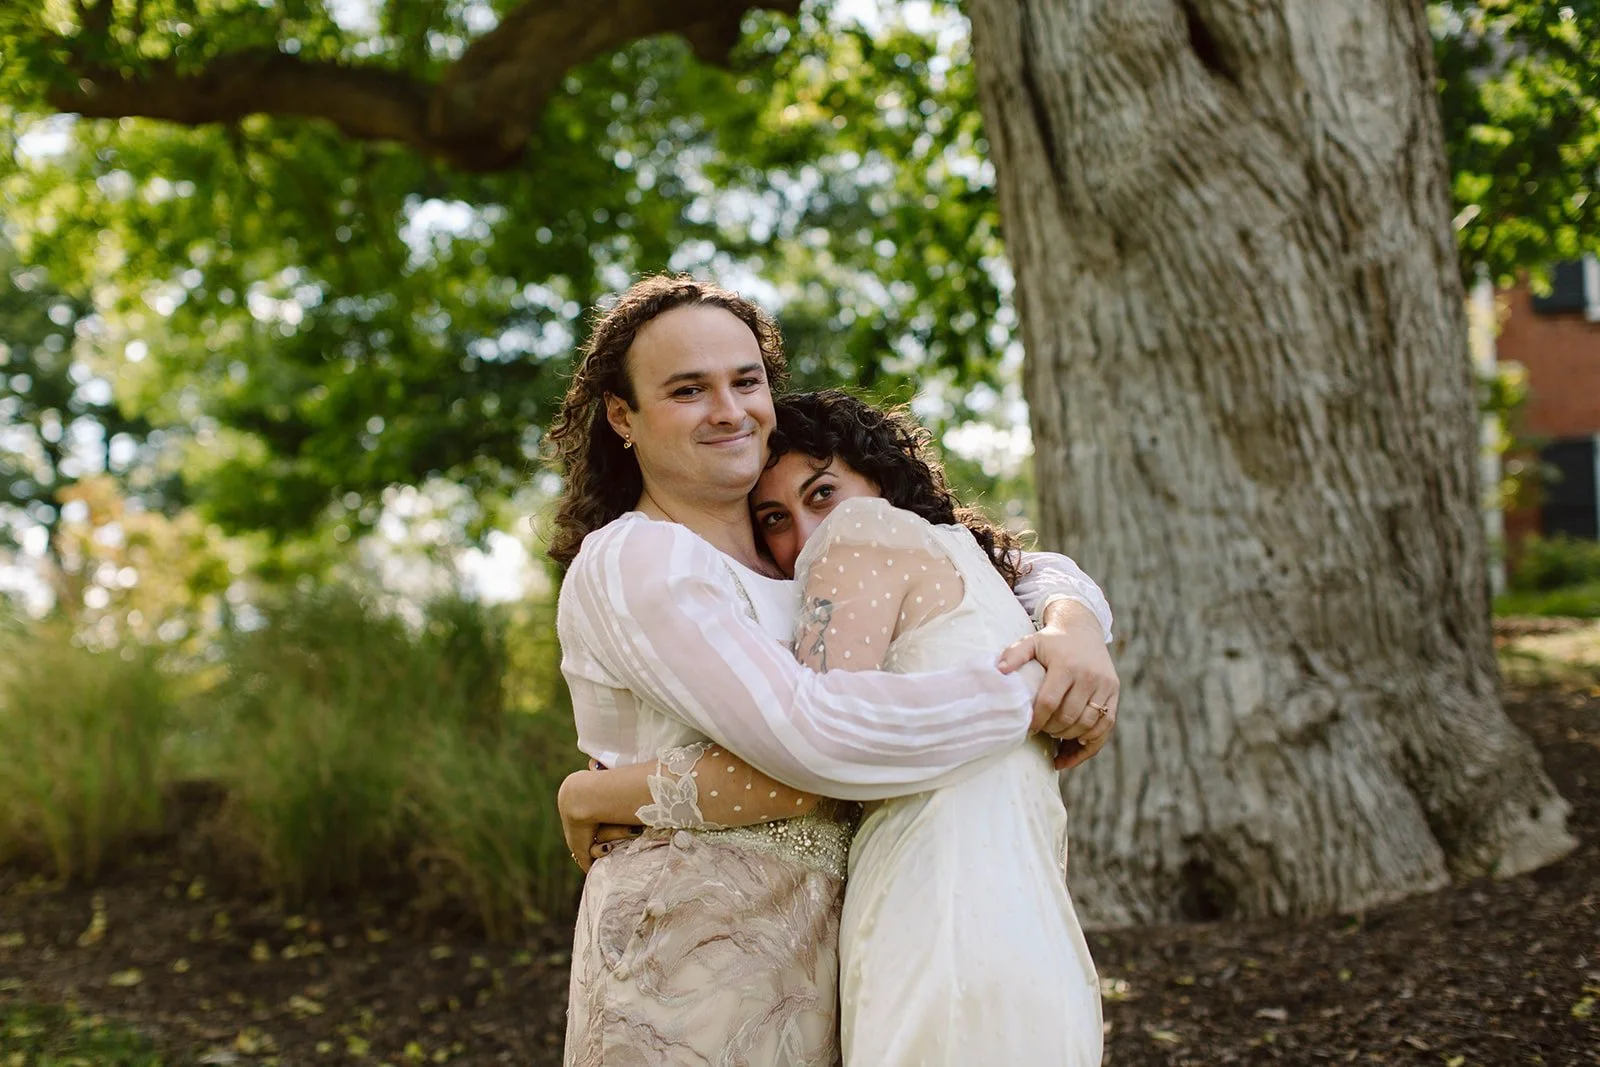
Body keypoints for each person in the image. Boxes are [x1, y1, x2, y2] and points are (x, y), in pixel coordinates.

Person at [548, 275, 1117, 1065]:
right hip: (691, 961)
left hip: (838, 953)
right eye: (688, 389)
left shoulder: (800, 558)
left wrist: (1073, 622)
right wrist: (1033, 692)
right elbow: (813, 744)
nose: (727, 408)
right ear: (623, 416)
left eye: (746, 381)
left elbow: (988, 563)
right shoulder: (642, 557)